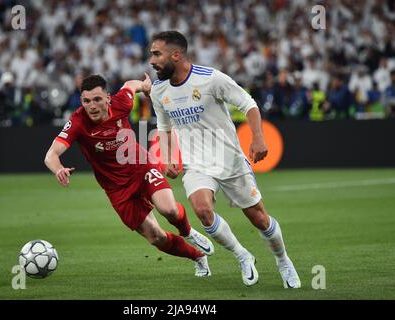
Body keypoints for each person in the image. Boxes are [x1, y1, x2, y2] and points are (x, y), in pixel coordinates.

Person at [149, 31, 301, 288]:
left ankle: (283, 260)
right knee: (202, 210)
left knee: (259, 219)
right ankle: (242, 255)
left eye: (156, 54)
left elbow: (248, 104)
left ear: (176, 55)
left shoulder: (211, 79)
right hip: (196, 163)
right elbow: (163, 127)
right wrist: (168, 156)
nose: (152, 60)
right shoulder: (158, 89)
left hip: (228, 159)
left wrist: (258, 138)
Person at [44, 74, 214, 277]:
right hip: (117, 189)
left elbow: (129, 85)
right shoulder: (78, 121)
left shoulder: (121, 103)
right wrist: (58, 169)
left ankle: (188, 232)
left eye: (97, 99)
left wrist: (144, 85)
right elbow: (51, 155)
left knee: (169, 210)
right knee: (156, 237)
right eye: (86, 101)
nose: (92, 106)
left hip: (140, 168)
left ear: (108, 98)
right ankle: (198, 257)